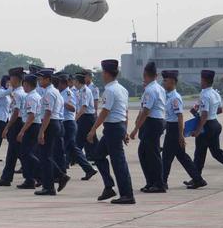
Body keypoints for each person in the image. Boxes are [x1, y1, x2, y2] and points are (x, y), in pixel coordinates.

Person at [86, 59, 135, 204]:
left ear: (107, 73)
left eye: (103, 72)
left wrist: (93, 130)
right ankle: (109, 187)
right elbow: (124, 112)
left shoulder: (110, 90)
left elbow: (104, 112)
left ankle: (127, 195)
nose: (102, 75)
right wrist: (125, 130)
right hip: (117, 127)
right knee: (98, 156)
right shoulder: (122, 89)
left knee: (118, 162)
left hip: (113, 128)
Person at [160, 69, 204, 189]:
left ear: (173, 81)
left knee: (166, 158)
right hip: (171, 127)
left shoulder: (175, 98)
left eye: (165, 80)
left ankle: (162, 182)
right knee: (182, 157)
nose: (163, 82)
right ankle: (198, 179)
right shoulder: (168, 96)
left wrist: (180, 135)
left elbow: (180, 116)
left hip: (174, 129)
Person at [129, 61, 167, 193]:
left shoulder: (150, 90)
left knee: (152, 154)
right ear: (155, 75)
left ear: (145, 75)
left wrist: (135, 129)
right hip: (157, 121)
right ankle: (151, 182)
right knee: (145, 153)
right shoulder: (159, 88)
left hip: (152, 122)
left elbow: (146, 111)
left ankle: (158, 183)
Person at [34, 68, 67, 196]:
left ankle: (49, 187)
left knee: (45, 157)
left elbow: (48, 113)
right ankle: (59, 176)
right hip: (55, 123)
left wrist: (41, 131)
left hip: (50, 124)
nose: (39, 81)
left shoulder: (49, 93)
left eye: (41, 79)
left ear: (48, 79)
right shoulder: (54, 91)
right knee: (45, 156)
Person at [0, 67, 27, 187]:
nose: (10, 80)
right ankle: (6, 178)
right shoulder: (19, 92)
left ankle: (37, 176)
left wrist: (7, 127)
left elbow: (16, 113)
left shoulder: (18, 93)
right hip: (18, 123)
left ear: (15, 79)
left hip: (17, 124)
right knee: (14, 153)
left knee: (20, 153)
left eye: (11, 78)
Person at [14, 73, 43, 190]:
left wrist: (22, 131)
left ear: (27, 84)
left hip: (31, 126)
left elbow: (31, 116)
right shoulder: (34, 96)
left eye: (24, 84)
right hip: (33, 125)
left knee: (26, 154)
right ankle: (30, 178)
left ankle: (40, 174)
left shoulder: (31, 97)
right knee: (26, 154)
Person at [71, 72, 98, 180]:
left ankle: (89, 167)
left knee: (79, 143)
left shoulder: (86, 91)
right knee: (84, 142)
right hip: (83, 118)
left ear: (78, 82)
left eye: (74, 81)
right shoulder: (79, 91)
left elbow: (83, 108)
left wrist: (75, 119)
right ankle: (88, 168)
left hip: (86, 118)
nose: (73, 83)